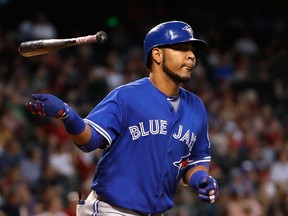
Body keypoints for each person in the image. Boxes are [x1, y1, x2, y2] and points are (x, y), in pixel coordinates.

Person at [26, 21, 219, 216]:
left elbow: (195, 161)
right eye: (181, 48)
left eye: (193, 50)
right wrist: (66, 114)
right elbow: (90, 140)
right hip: (112, 210)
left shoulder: (196, 107)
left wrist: (201, 178)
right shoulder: (126, 97)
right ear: (157, 55)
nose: (191, 56)